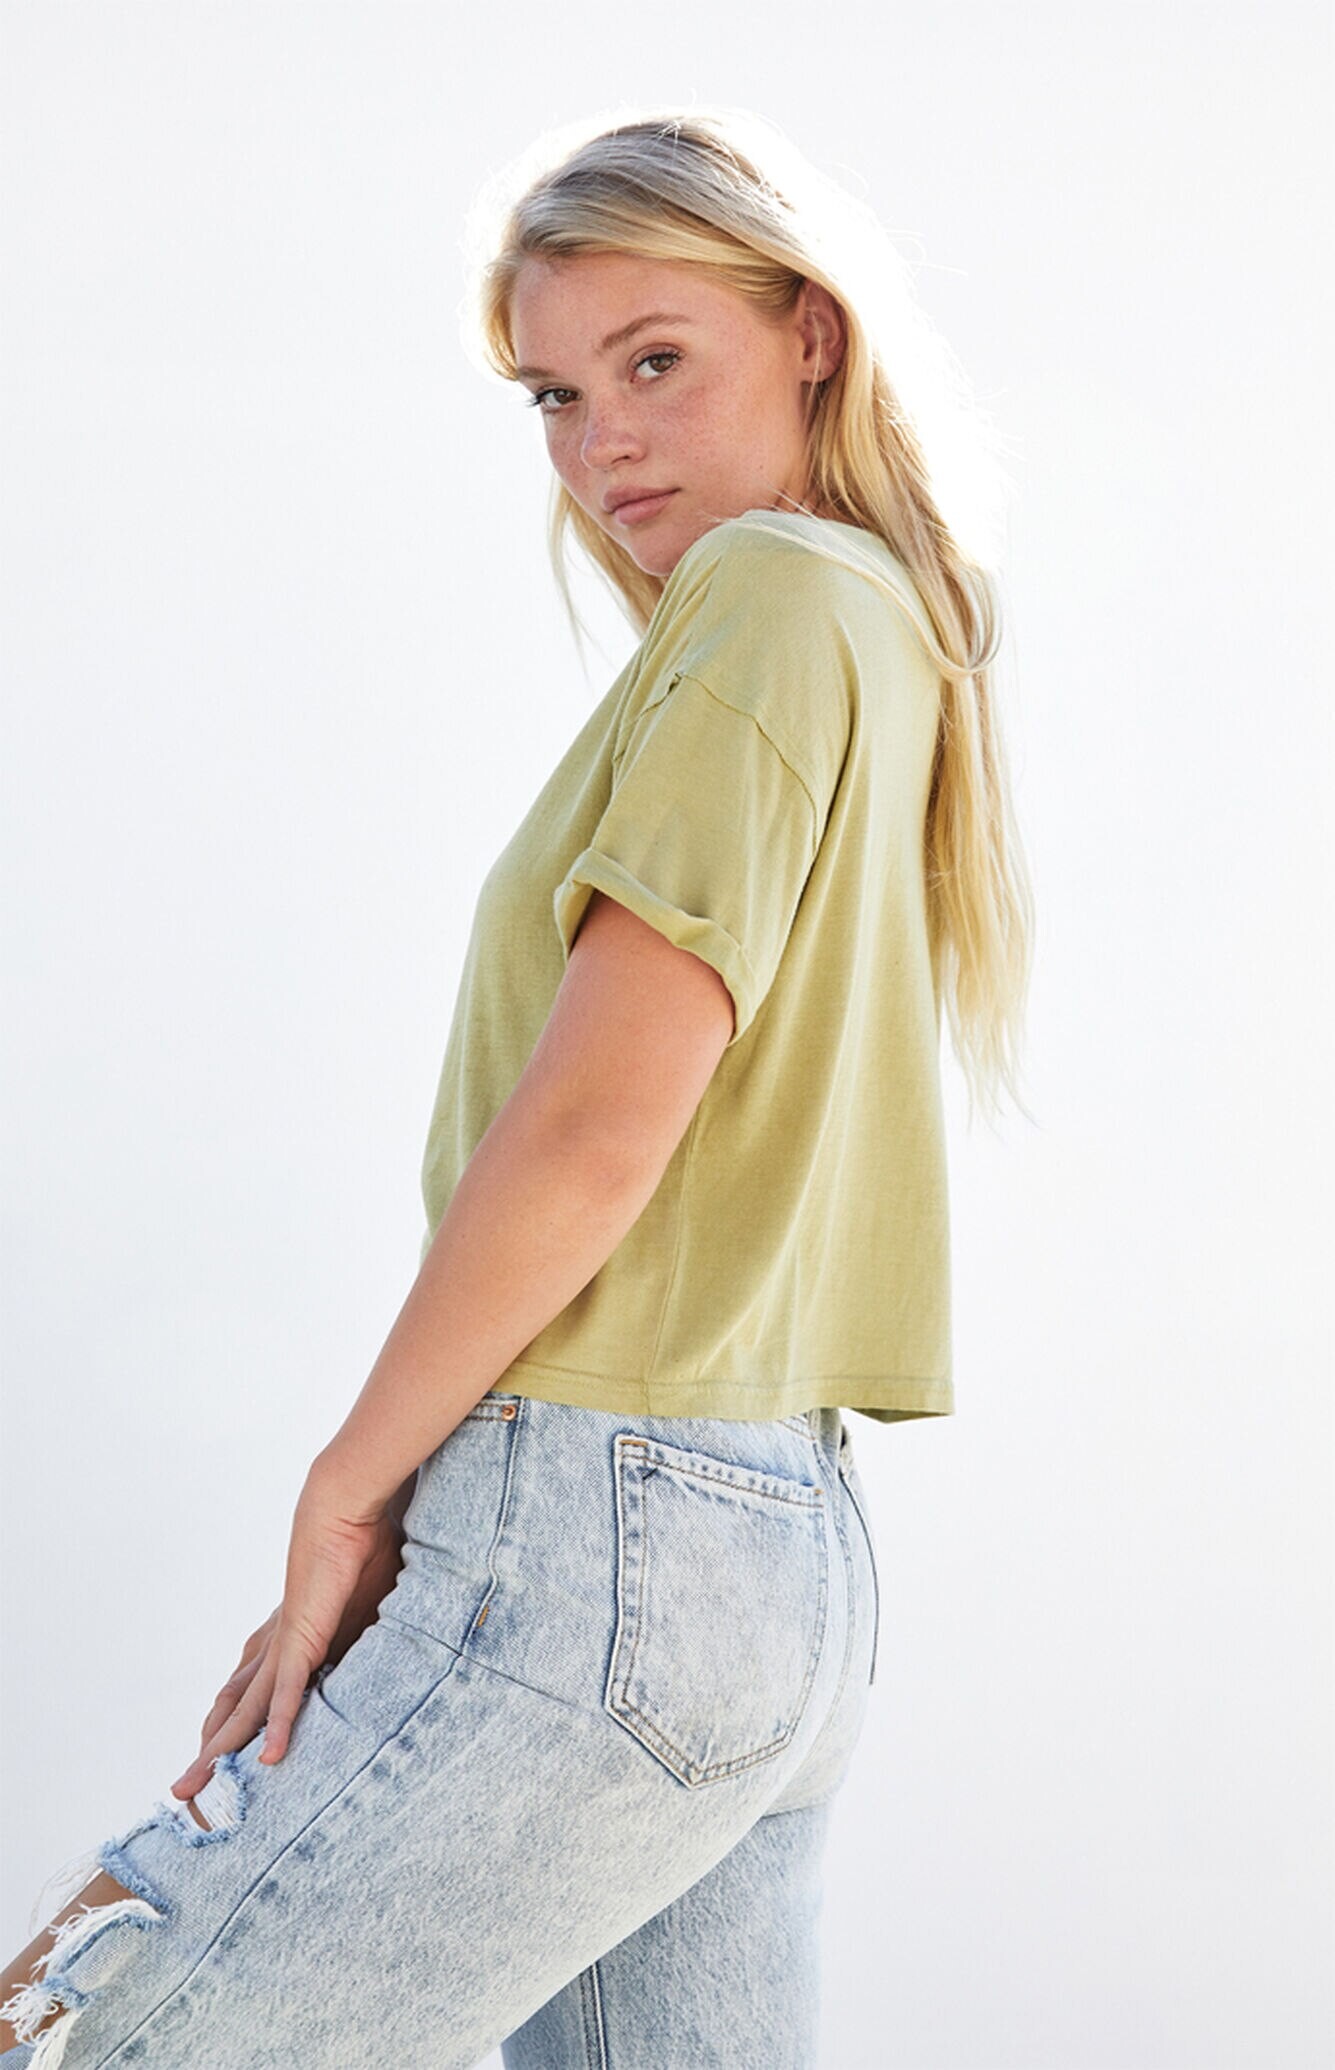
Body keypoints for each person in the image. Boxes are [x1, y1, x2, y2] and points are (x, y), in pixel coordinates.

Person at [1, 102, 1033, 2068]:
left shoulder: (771, 598)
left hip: (605, 1539)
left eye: (655, 362)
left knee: (99, 2039)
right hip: (774, 1568)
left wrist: (349, 1488)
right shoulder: (876, 626)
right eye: (555, 396)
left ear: (811, 333)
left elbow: (589, 1133)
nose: (600, 443)